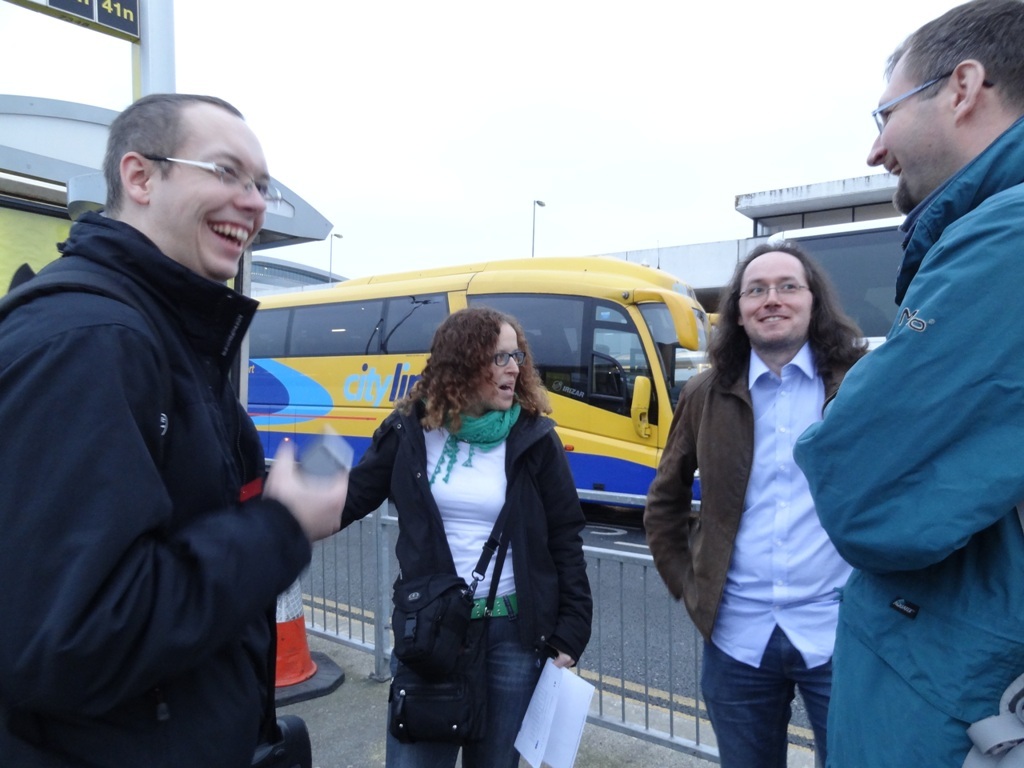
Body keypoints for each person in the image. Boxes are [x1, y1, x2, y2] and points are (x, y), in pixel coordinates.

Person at [0, 94, 347, 767]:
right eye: (225, 172)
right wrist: (281, 526)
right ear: (140, 177)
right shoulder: (93, 342)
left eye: (262, 186)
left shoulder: (166, 336)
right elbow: (70, 636)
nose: (253, 202)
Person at [793, 1, 1024, 765]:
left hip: (962, 709)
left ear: (963, 87)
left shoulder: (1006, 237)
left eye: (886, 113)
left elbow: (858, 482)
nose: (874, 150)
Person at [644, 242, 867, 768]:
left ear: (813, 302)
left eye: (788, 286)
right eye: (756, 290)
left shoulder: (860, 383)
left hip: (842, 633)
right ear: (739, 313)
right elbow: (664, 500)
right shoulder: (704, 393)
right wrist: (690, 585)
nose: (772, 299)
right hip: (737, 639)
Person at [340, 306, 592, 768]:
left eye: (517, 356)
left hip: (514, 638)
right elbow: (351, 497)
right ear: (463, 362)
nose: (514, 367)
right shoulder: (410, 430)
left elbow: (565, 536)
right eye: (499, 357)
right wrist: (283, 512)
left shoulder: (535, 438)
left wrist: (571, 632)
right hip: (432, 631)